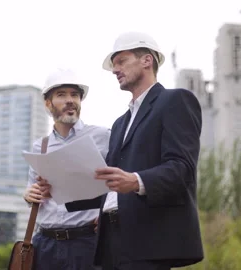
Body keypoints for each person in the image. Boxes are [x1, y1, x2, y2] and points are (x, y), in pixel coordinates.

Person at [57, 32, 205, 270]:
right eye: (114, 65)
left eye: (121, 61)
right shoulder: (119, 124)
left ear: (147, 60)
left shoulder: (175, 101)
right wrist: (58, 186)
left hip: (151, 242)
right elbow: (111, 183)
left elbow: (182, 169)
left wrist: (136, 181)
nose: (115, 69)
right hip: (112, 241)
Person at [23, 68, 111, 270]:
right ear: (48, 103)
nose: (70, 100)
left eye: (75, 95)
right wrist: (29, 195)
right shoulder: (40, 147)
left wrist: (108, 210)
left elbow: (121, 181)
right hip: (45, 245)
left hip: (87, 243)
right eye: (61, 95)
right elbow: (32, 194)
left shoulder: (103, 136)